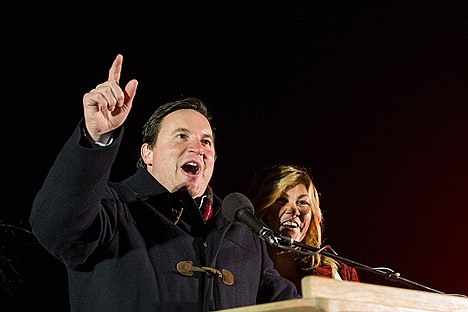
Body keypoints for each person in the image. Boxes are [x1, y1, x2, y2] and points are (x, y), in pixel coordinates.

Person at [29, 54, 297, 312]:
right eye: (181, 136)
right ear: (148, 153)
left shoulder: (241, 232)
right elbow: (56, 225)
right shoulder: (111, 209)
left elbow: (287, 304)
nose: (198, 148)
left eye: (206, 142)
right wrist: (95, 137)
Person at [246, 164, 359, 295]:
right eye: (281, 200)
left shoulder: (339, 273)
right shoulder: (241, 270)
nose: (294, 210)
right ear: (263, 207)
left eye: (302, 202)